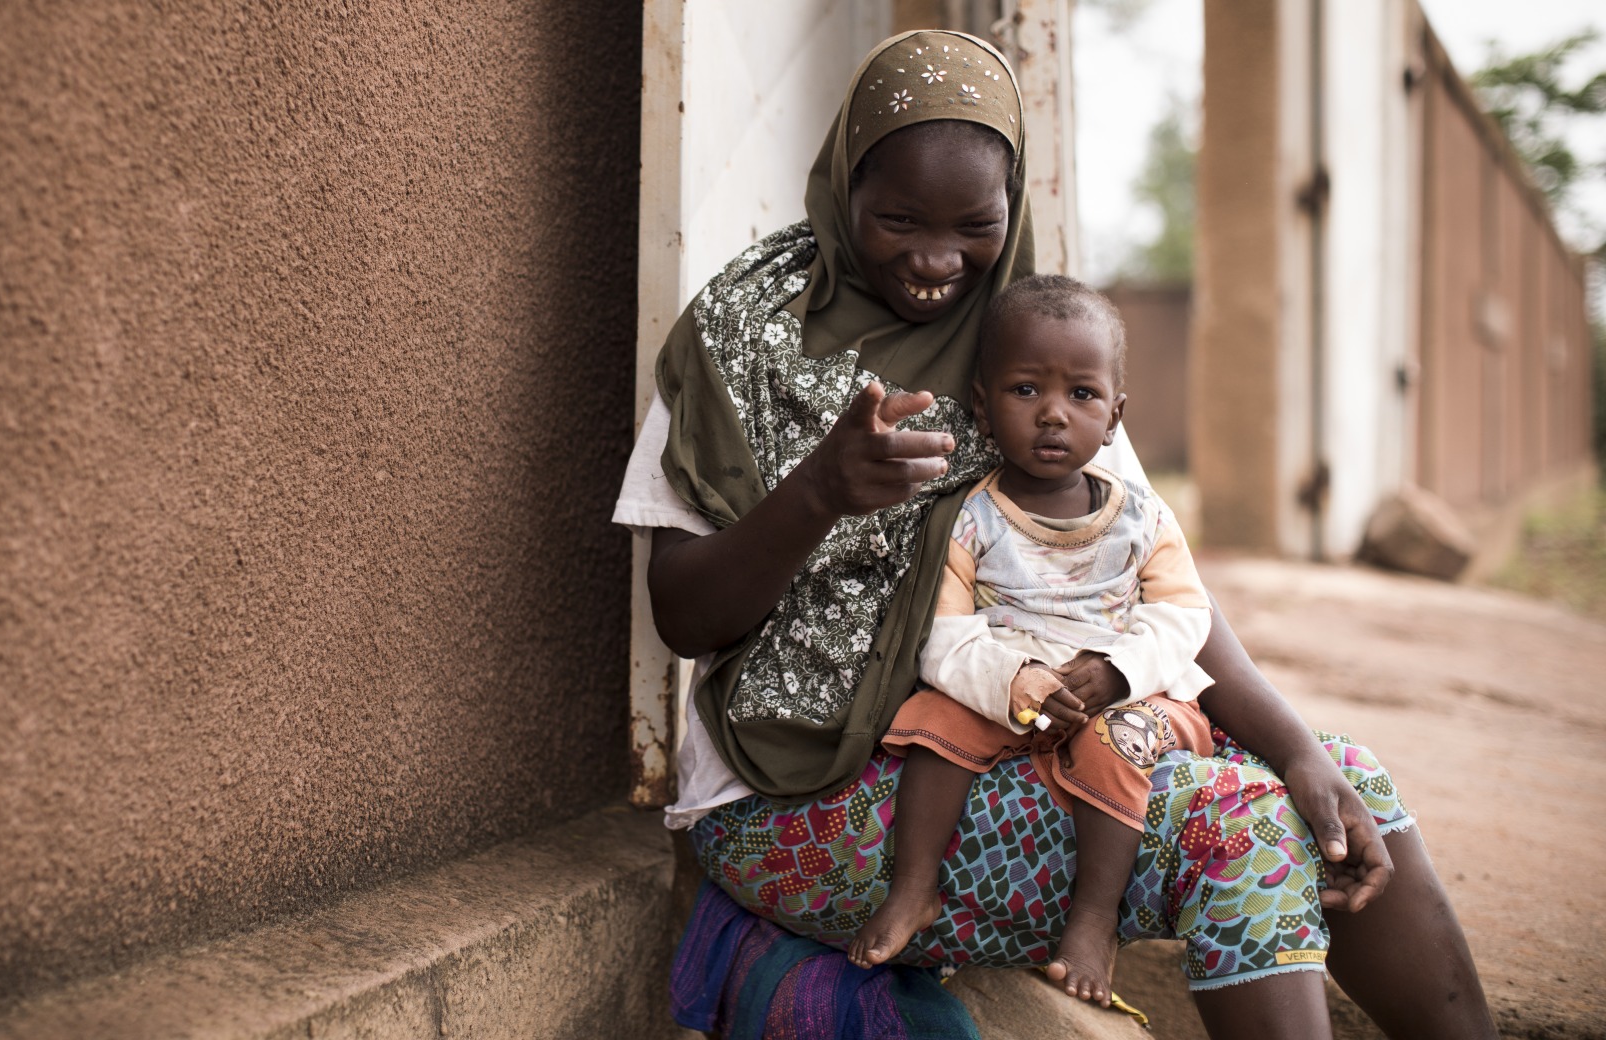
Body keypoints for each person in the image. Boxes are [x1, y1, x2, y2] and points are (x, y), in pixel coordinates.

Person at [617, 29, 1497, 1040]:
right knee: (1241, 828)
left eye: (974, 225)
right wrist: (817, 490)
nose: (937, 260)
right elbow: (682, 616)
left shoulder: (1023, 344)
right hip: (805, 796)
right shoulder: (738, 340)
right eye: (898, 218)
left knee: (1348, 787)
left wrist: (1296, 744)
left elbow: (1153, 573)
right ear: (841, 185)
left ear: (1014, 208)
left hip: (1023, 734)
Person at [848, 275, 1217, 1011]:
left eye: (1081, 395)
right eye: (1024, 391)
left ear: (1114, 416)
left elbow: (1184, 615)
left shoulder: (1143, 517)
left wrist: (1117, 673)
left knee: (1120, 744)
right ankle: (915, 888)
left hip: (1124, 692)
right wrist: (1012, 682)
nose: (1053, 414)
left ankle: (1093, 921)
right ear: (983, 407)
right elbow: (944, 636)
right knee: (932, 722)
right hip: (1011, 687)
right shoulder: (970, 519)